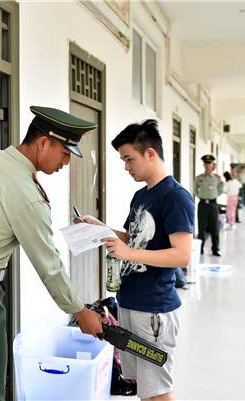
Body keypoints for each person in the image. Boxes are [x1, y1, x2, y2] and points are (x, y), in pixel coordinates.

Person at [0, 106, 104, 401]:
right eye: (65, 153)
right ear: (43, 143)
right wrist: (79, 310)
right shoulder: (25, 193)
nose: (67, 162)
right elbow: (48, 264)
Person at [80, 119, 194, 401]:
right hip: (131, 302)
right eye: (123, 160)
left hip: (153, 308)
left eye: (129, 159)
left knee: (157, 391)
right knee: (144, 388)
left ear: (151, 153)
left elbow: (182, 255)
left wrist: (128, 253)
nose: (126, 167)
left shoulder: (176, 197)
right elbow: (134, 239)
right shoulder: (141, 196)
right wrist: (101, 227)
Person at [194, 155, 224, 256]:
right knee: (201, 227)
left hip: (213, 204)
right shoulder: (199, 178)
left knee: (214, 227)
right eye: (206, 164)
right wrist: (201, 196)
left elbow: (221, 189)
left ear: (213, 165)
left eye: (209, 164)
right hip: (202, 204)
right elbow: (195, 190)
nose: (207, 166)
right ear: (204, 165)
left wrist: (214, 195)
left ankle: (215, 249)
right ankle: (200, 249)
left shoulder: (217, 178)